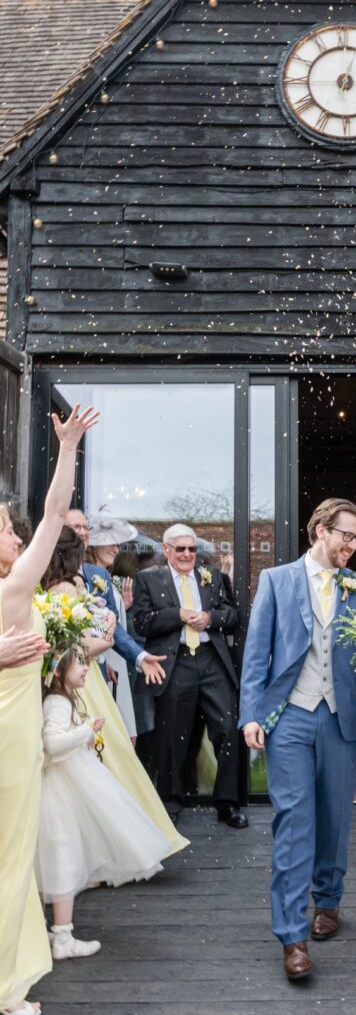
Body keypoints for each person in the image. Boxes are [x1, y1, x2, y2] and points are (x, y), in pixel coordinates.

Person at [240, 498, 356, 981]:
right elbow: (257, 653)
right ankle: (292, 935)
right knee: (293, 823)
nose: (351, 545)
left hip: (340, 719)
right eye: (345, 535)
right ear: (319, 531)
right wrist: (253, 715)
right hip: (290, 717)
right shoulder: (277, 581)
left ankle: (327, 902)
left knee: (334, 818)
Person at [0, 404, 97, 1015]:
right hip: (8, 744)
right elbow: (56, 516)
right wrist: (66, 450)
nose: (17, 535)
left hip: (16, 735)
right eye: (7, 530)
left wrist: (68, 452)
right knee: (10, 859)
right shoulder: (13, 590)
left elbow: (55, 518)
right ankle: (7, 989)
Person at [42, 529, 188, 858]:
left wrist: (111, 637)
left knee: (108, 753)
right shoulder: (64, 590)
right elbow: (76, 646)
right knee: (107, 755)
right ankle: (119, 844)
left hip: (88, 677)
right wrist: (106, 637)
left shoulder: (66, 586)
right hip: (83, 679)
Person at [36, 649, 169, 960]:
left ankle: (49, 930)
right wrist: (86, 730)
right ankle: (62, 936)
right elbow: (52, 745)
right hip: (58, 792)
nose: (86, 668)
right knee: (62, 858)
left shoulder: (64, 699)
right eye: (80, 663)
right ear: (58, 671)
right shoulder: (57, 702)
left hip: (64, 787)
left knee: (56, 858)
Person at [132, 524, 246, 827]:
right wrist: (178, 615)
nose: (187, 554)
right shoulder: (148, 579)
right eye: (180, 548)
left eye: (191, 549)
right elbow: (142, 623)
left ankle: (227, 803)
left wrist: (210, 618)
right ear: (166, 550)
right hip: (176, 662)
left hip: (212, 661)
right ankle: (171, 802)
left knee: (227, 727)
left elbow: (232, 615)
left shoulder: (212, 578)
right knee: (172, 735)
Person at [65, 509, 167, 720]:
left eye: (86, 527)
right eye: (77, 527)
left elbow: (114, 627)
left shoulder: (99, 575)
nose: (84, 532)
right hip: (63, 673)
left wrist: (139, 657)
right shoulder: (47, 571)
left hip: (95, 672)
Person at [85, 515, 142, 739]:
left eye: (118, 544)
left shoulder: (107, 578)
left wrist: (123, 607)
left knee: (128, 735)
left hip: (117, 659)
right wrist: (104, 660)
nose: (116, 548)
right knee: (116, 736)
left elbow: (109, 618)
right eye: (111, 542)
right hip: (103, 659)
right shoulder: (87, 576)